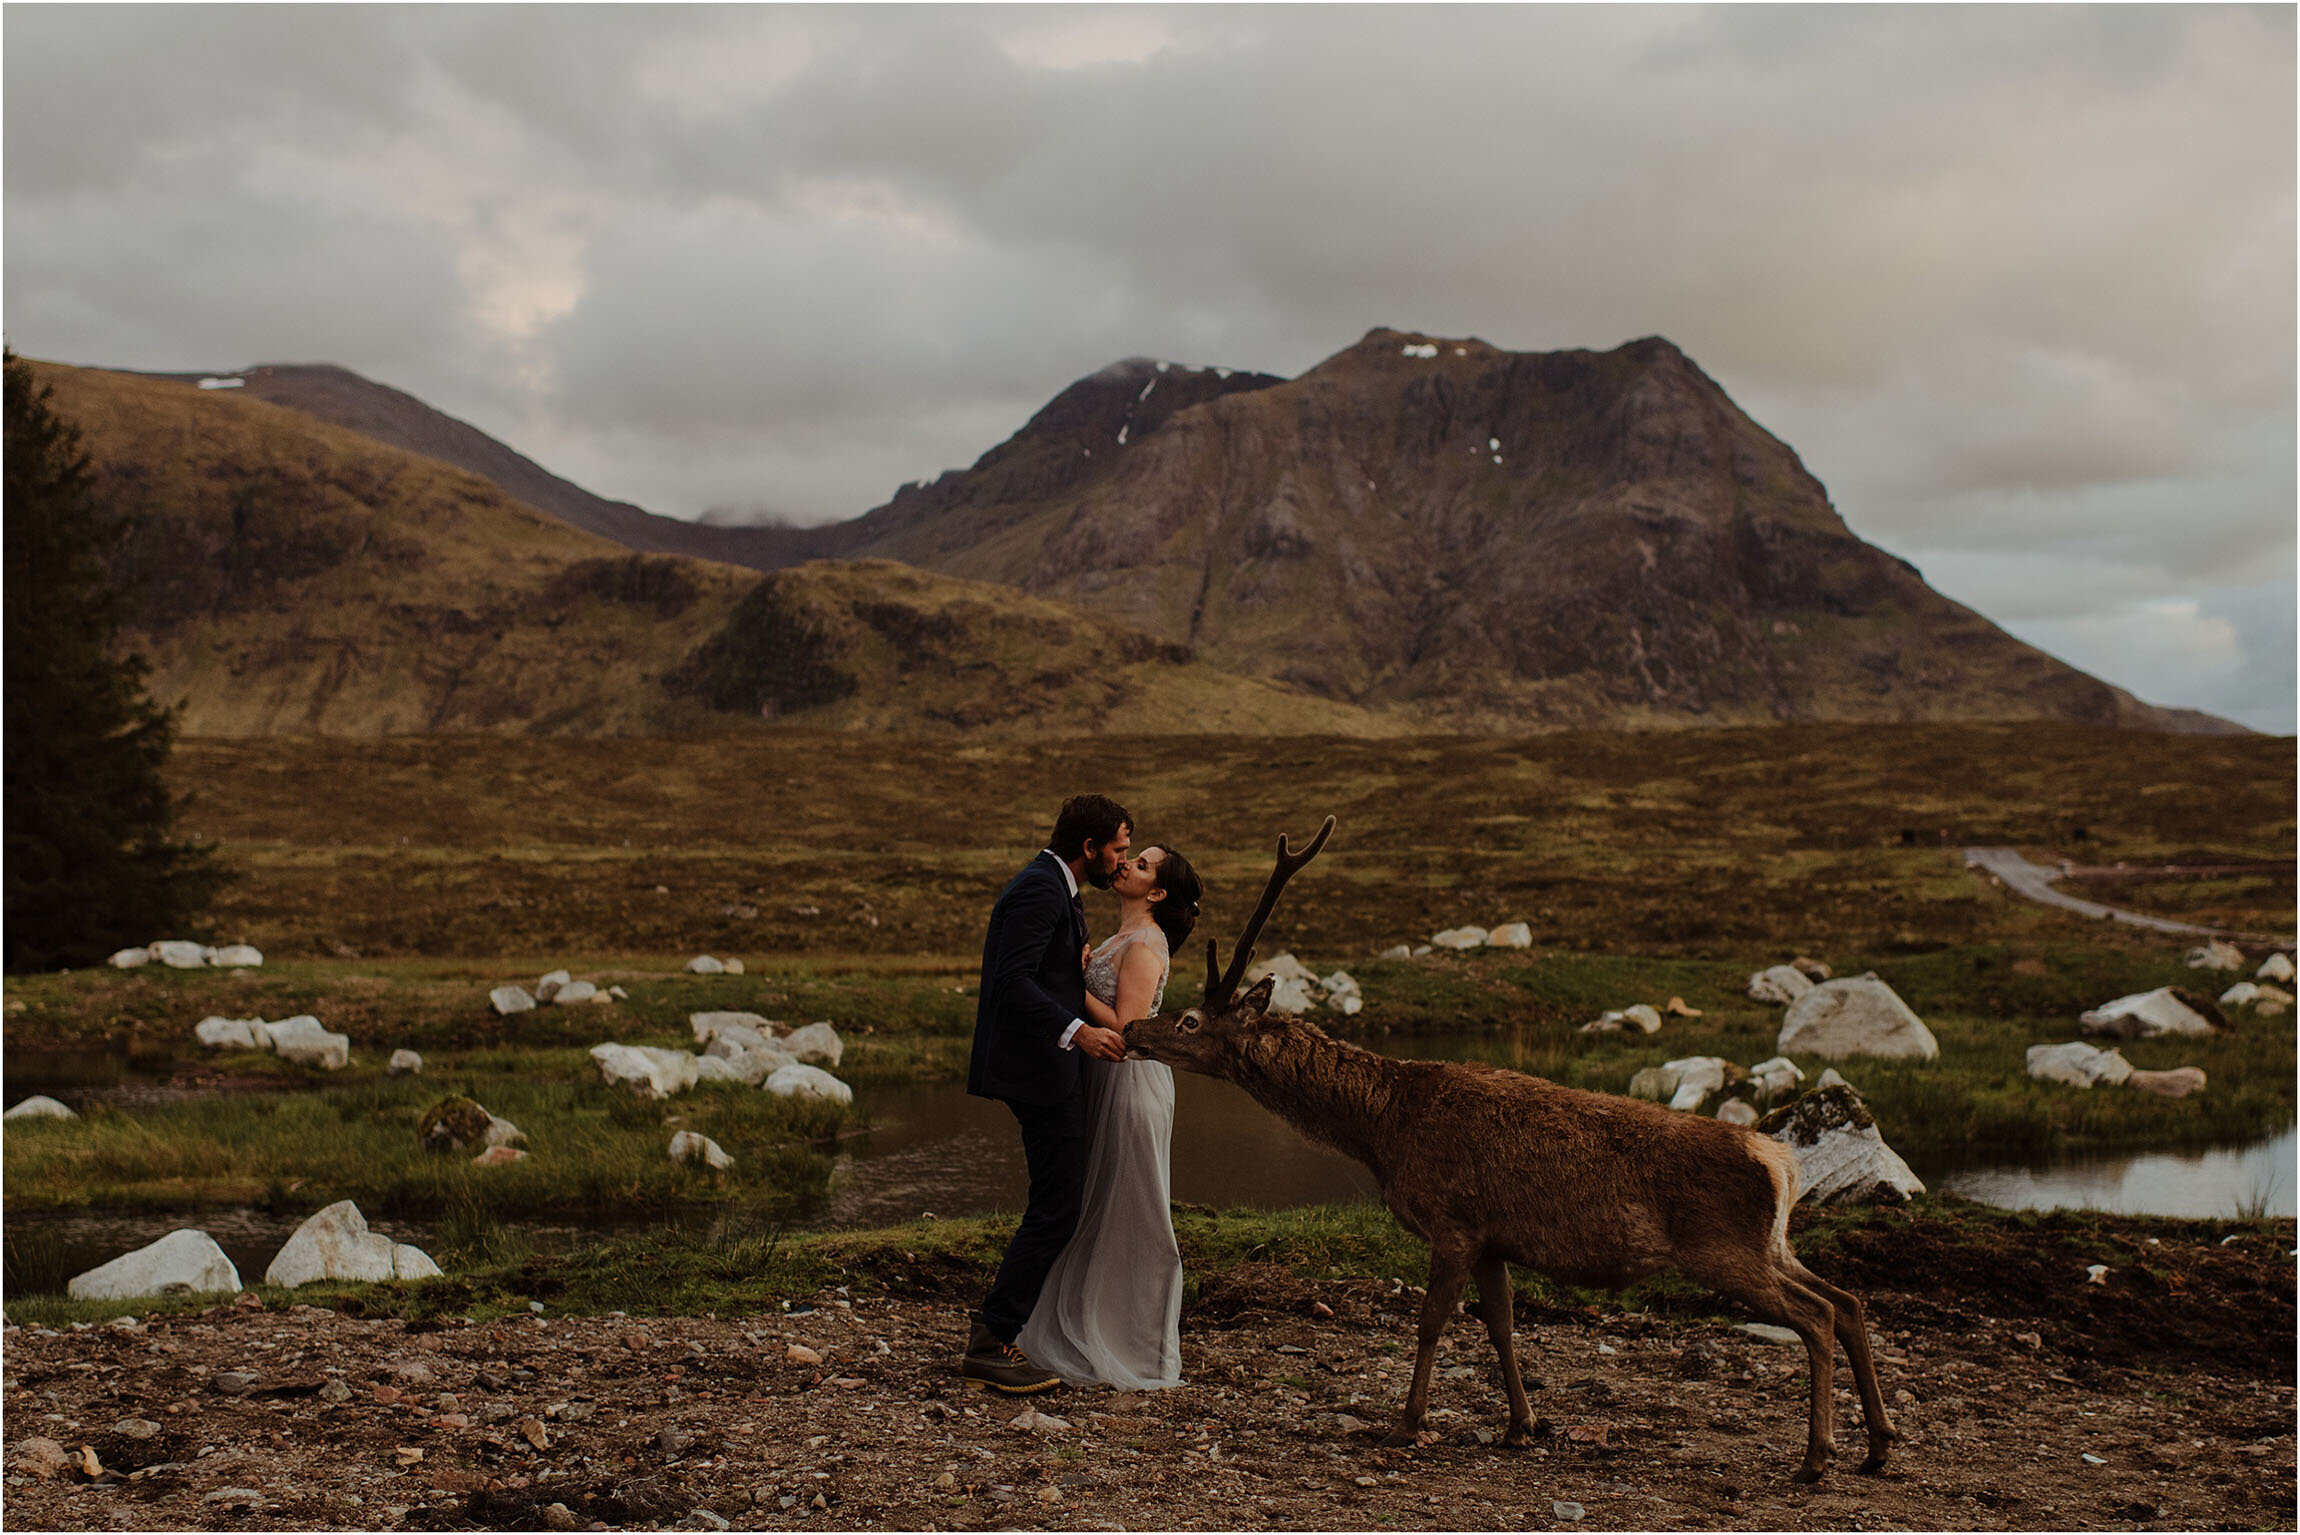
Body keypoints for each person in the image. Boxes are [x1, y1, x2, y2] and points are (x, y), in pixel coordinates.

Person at [960, 794, 1132, 1393]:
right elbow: (1011, 983)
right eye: (1117, 849)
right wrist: (1079, 1031)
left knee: (1057, 1200)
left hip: (1045, 1068)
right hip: (1038, 1070)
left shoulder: (1054, 885)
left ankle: (1007, 1331)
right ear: (1089, 848)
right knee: (1057, 1205)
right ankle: (992, 1339)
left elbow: (1041, 969)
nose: (1121, 860)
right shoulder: (1039, 888)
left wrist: (1071, 965)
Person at [1016, 843, 1202, 1389]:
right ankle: (1083, 1326)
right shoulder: (1124, 936)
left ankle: (1138, 1350)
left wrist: (1072, 989)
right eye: (1132, 857)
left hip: (1130, 1082)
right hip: (1102, 1079)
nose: (1127, 865)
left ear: (1158, 892)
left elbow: (1129, 1029)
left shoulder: (1147, 943)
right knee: (1093, 1203)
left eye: (1142, 865)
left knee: (1132, 1209)